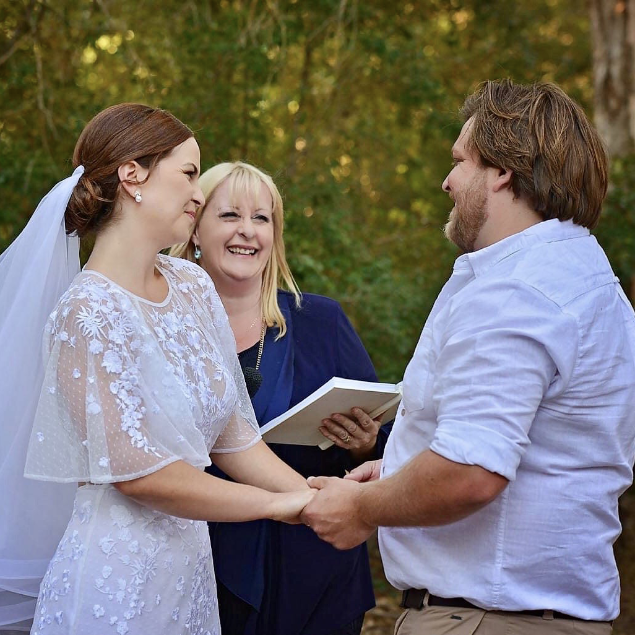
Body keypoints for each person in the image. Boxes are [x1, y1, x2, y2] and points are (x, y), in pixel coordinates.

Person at [302, 79, 635, 635]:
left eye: (460, 161)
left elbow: (471, 473)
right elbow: (538, 450)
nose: (447, 181)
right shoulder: (587, 278)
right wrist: (398, 471)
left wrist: (361, 509)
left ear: (501, 170)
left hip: (486, 620)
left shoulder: (516, 291)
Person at [0, 104, 315, 635]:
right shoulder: (86, 313)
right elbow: (142, 476)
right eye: (189, 173)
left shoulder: (193, 286)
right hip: (113, 584)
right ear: (133, 176)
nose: (198, 193)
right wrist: (280, 505)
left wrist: (312, 496)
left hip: (189, 576)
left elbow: (233, 435)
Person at [170, 161, 389, 635]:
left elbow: (388, 443)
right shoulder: (165, 328)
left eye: (261, 218)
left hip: (310, 569)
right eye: (230, 215)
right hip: (196, 562)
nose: (247, 231)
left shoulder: (322, 323)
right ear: (195, 229)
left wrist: (365, 445)